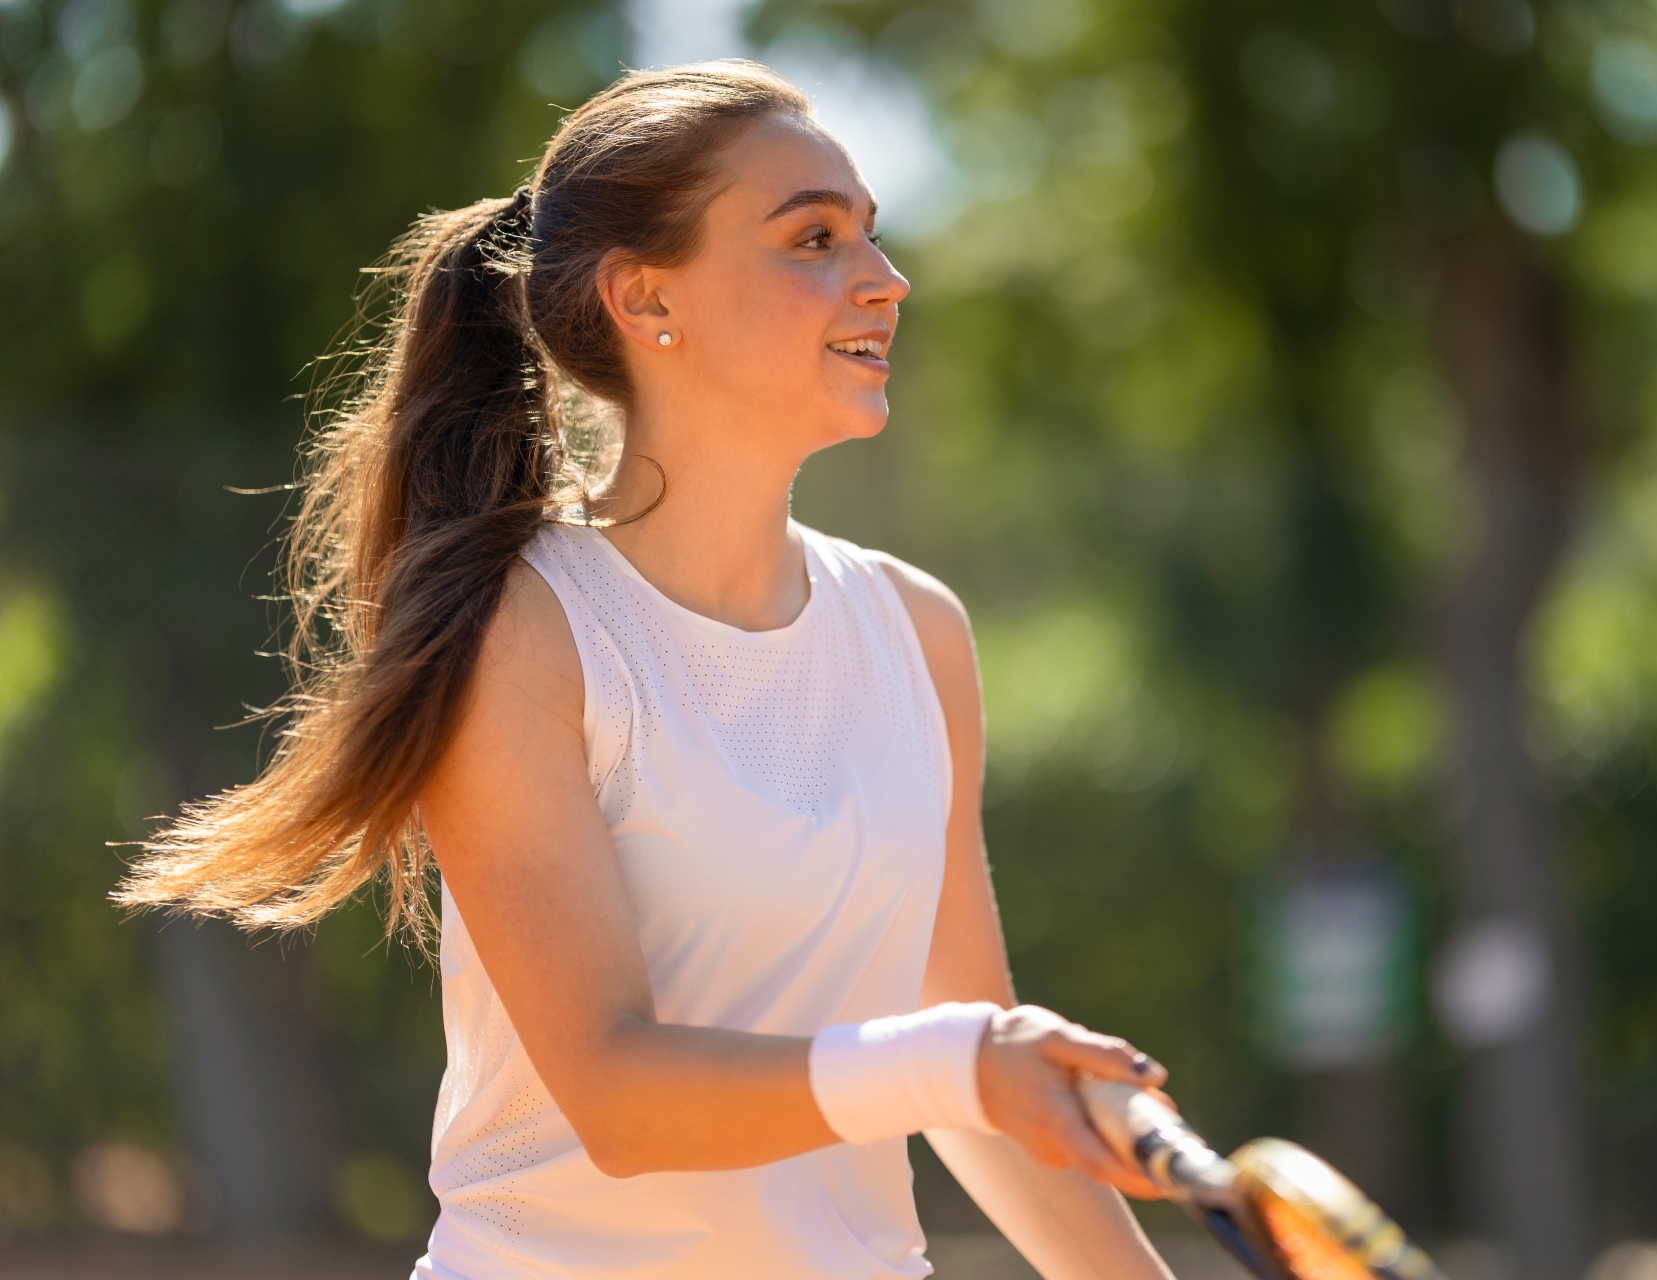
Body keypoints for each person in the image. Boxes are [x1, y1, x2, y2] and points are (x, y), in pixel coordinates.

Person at [116, 62, 1180, 1280]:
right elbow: (617, 1093)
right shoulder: (523, 628)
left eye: (872, 237)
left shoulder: (919, 630)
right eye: (814, 238)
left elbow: (972, 1082)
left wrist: (987, 1089)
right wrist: (953, 1060)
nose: (885, 281)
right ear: (644, 295)